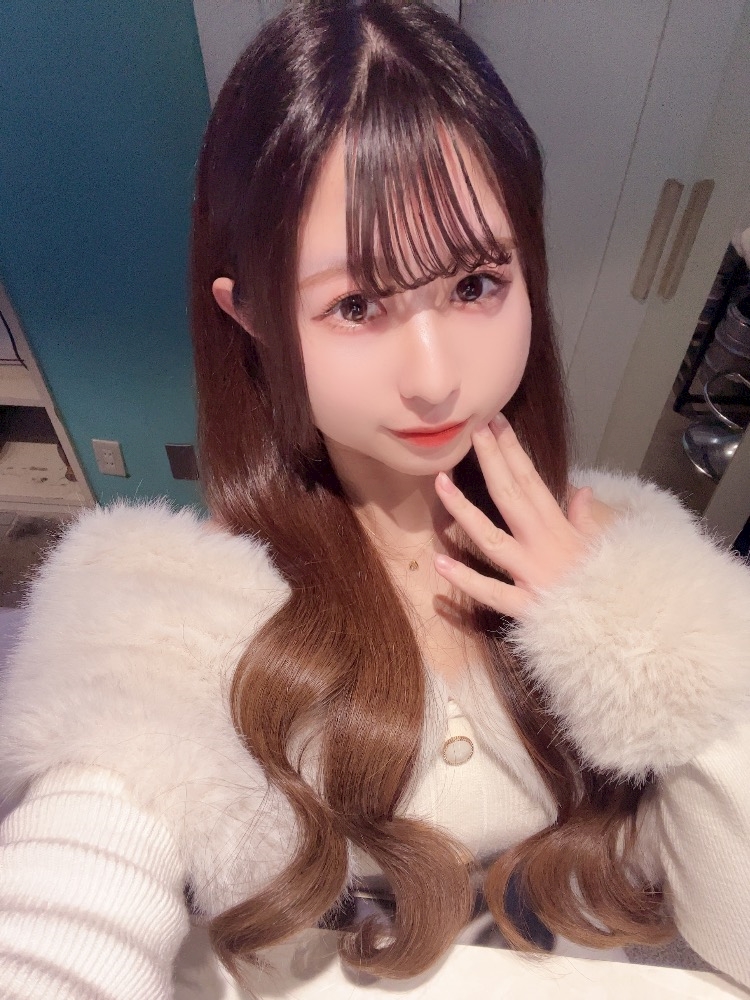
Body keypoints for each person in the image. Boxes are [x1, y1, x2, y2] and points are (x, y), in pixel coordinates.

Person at [1, 1, 749, 996]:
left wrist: (643, 641)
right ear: (252, 315)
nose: (436, 378)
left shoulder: (631, 553)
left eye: (475, 284)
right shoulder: (172, 607)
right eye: (357, 304)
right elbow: (69, 899)